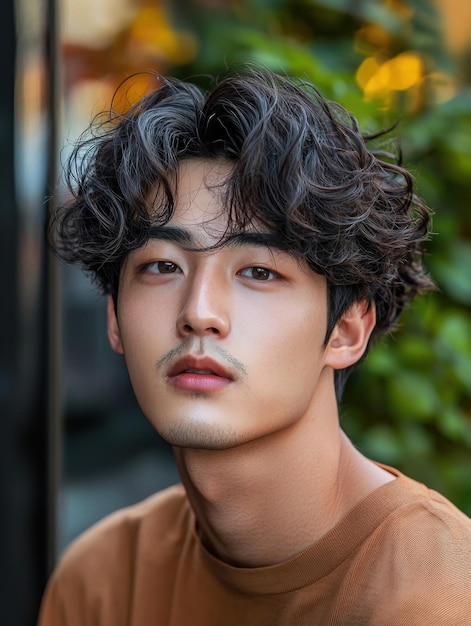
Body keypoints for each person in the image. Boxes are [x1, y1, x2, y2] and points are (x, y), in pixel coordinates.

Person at [39, 67, 471, 625]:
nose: (199, 312)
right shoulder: (102, 580)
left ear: (346, 330)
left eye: (259, 272)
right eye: (163, 266)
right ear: (115, 320)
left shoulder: (437, 594)